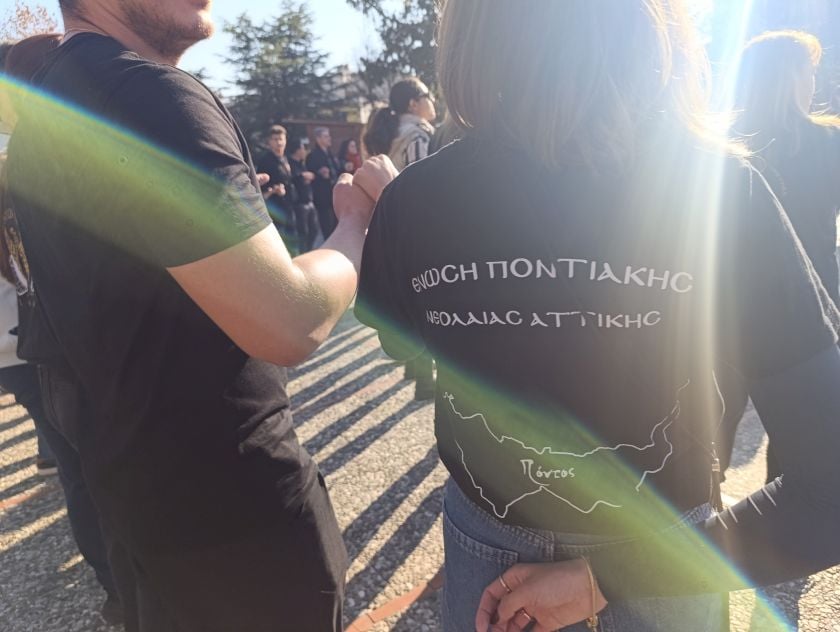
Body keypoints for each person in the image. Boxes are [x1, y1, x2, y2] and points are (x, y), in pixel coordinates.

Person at [356, 1, 840, 631]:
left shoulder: (412, 200)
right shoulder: (719, 194)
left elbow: (403, 344)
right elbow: (828, 486)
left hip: (495, 561)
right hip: (663, 557)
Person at [5, 2, 396, 631]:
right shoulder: (149, 96)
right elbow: (288, 318)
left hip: (142, 512)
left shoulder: (54, 102)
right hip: (238, 523)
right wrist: (355, 225)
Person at [0, 32, 122, 626]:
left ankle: (117, 587)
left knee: (79, 464)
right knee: (96, 463)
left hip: (21, 344)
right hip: (49, 335)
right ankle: (126, 585)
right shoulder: (29, 153)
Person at [716, 31, 840, 482]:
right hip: (806, 312)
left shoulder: (716, 143)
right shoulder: (829, 142)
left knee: (708, 435)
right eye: (810, 72)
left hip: (720, 312)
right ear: (792, 76)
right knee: (803, 453)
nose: (813, 83)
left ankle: (700, 516)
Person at [364, 77, 438, 400]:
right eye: (428, 95)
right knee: (424, 301)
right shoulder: (418, 136)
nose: (433, 101)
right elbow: (422, 185)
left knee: (407, 298)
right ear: (413, 103)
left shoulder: (389, 134)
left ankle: (411, 366)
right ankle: (424, 380)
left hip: (390, 226)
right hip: (416, 227)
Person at [255, 124, 296, 246]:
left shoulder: (285, 158)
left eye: (281, 139)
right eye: (275, 139)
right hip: (274, 207)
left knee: (293, 238)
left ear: (285, 140)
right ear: (269, 142)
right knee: (279, 240)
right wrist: (273, 190)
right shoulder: (265, 161)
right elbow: (259, 188)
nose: (279, 142)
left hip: (289, 205)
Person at [306, 126, 341, 239]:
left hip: (334, 195)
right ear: (318, 139)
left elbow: (337, 169)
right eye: (326, 136)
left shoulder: (331, 154)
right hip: (323, 198)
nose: (329, 138)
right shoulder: (312, 156)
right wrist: (319, 173)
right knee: (328, 227)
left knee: (337, 226)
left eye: (329, 136)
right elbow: (309, 174)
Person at [287, 136, 320, 253]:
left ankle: (309, 250)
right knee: (303, 233)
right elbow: (292, 178)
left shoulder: (302, 163)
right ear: (296, 150)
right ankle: (303, 253)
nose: (304, 151)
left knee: (314, 230)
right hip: (299, 203)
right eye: (302, 148)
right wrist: (302, 177)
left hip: (309, 201)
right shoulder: (289, 163)